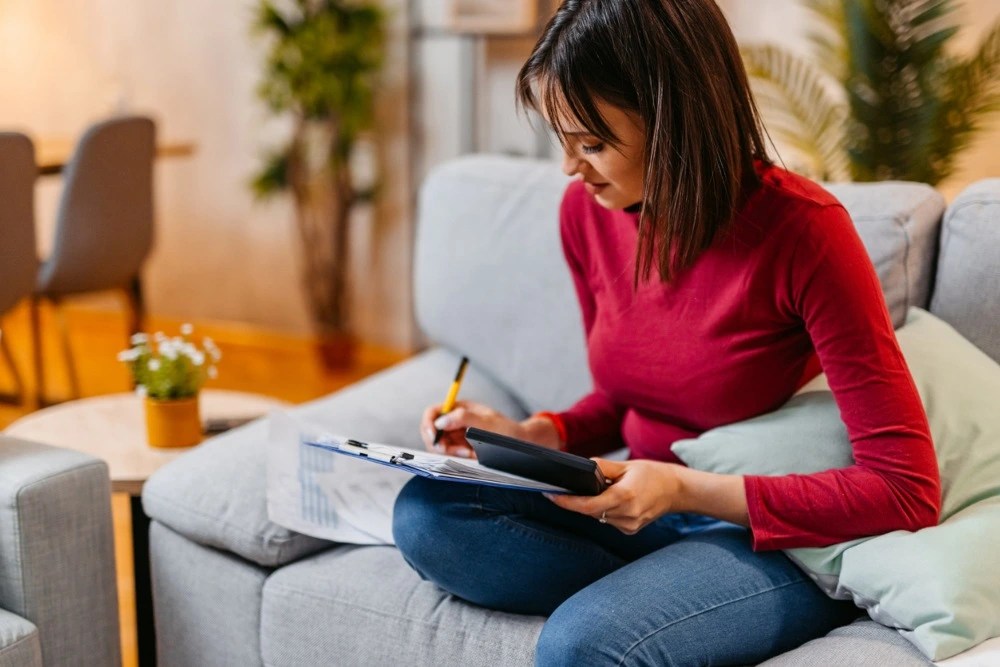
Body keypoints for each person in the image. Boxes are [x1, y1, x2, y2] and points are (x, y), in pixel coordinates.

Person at [392, 0, 941, 664]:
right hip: (633, 505)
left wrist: (682, 487)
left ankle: (658, 607)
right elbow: (627, 398)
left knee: (584, 643)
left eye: (591, 143)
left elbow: (906, 489)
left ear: (675, 122)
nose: (569, 167)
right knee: (427, 513)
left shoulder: (804, 232)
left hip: (762, 534)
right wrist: (535, 435)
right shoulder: (587, 215)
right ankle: (661, 604)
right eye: (559, 138)